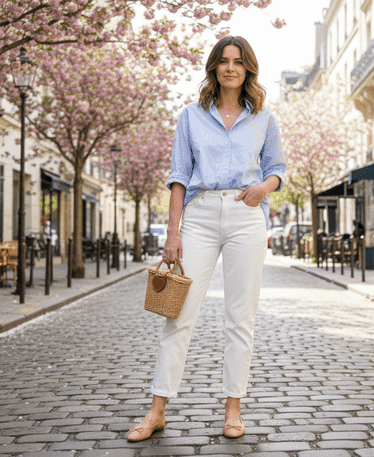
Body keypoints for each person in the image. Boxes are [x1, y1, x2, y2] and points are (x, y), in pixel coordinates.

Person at [127, 35, 286, 442]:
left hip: (247, 216)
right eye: (223, 61)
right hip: (199, 215)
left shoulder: (264, 119)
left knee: (240, 318)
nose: (230, 67)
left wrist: (263, 189)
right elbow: (179, 176)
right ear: (214, 67)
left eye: (238, 62)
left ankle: (233, 408)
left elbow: (277, 169)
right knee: (178, 314)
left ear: (248, 68)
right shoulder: (190, 116)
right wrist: (173, 232)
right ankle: (157, 409)